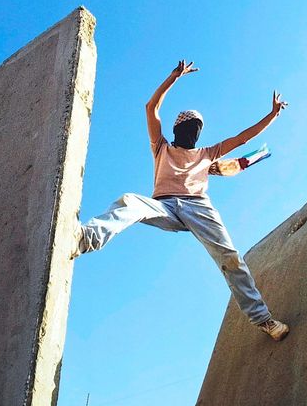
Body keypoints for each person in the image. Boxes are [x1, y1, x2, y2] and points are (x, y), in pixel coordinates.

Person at [72, 59, 290, 341]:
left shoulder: (208, 153)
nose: (193, 132)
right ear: (178, 129)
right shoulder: (160, 147)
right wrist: (173, 77)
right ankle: (83, 238)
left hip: (198, 207)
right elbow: (151, 108)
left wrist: (272, 115)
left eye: (197, 128)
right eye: (189, 126)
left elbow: (242, 138)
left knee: (230, 257)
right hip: (164, 206)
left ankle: (263, 320)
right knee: (130, 201)